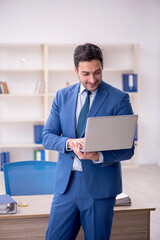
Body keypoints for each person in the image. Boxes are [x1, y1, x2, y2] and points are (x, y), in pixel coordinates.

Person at [42, 43, 135, 240]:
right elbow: (47, 137)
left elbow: (128, 149)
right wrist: (70, 142)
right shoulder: (62, 96)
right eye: (85, 74)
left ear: (102, 67)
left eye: (97, 72)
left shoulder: (119, 99)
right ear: (75, 70)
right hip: (66, 185)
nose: (92, 79)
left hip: (100, 187)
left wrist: (98, 155)